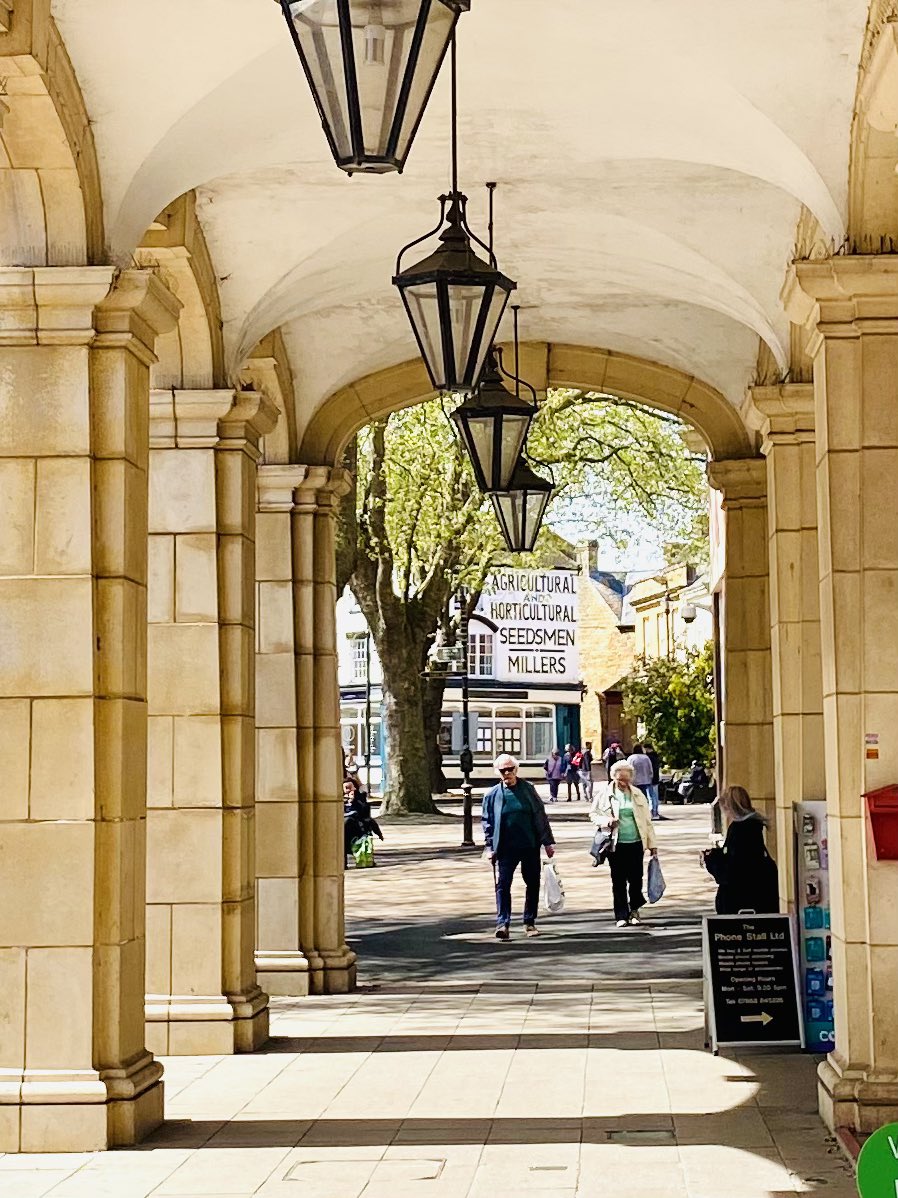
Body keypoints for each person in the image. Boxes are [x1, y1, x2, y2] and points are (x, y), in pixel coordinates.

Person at [482, 754, 556, 940]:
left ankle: (529, 922)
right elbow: (487, 823)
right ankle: (503, 923)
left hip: (529, 845)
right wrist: (490, 847)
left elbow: (540, 815)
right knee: (503, 885)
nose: (507, 773)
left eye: (510, 769)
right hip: (505, 848)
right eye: (503, 770)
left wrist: (547, 842)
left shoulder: (528, 789)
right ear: (498, 773)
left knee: (532, 883)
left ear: (516, 769)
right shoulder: (492, 795)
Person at [590, 759, 657, 927]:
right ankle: (621, 914)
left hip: (635, 842)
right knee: (618, 880)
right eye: (620, 779)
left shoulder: (637, 794)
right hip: (615, 843)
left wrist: (652, 844)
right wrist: (607, 821)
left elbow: (647, 821)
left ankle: (634, 910)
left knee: (636, 879)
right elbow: (593, 814)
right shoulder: (605, 794)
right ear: (614, 777)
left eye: (627, 779)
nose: (624, 783)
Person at [703, 785, 779, 914]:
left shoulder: (742, 830)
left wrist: (711, 860)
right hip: (753, 896)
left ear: (730, 808)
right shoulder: (751, 827)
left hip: (743, 902)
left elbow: (733, 868)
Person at [343, 779, 383, 865]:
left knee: (348, 822)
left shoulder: (360, 798)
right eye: (347, 788)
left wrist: (354, 801)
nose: (349, 790)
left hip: (357, 826)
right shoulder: (339, 800)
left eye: (351, 788)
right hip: (343, 827)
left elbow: (365, 813)